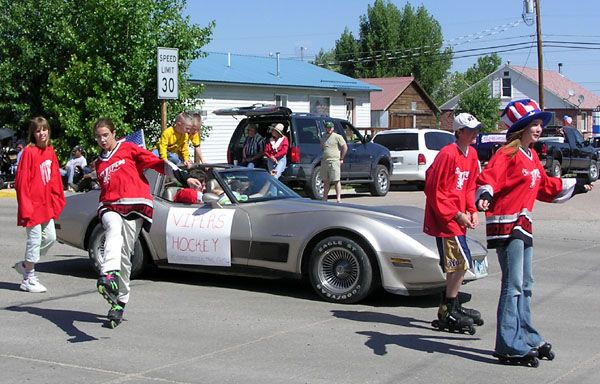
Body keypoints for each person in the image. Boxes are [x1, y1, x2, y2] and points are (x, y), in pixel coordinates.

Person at [476, 99, 593, 364]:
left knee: (526, 285)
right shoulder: (507, 153)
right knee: (514, 285)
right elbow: (488, 178)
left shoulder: (531, 156)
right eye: (534, 125)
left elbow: (545, 187)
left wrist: (577, 184)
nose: (539, 129)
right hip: (507, 224)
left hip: (523, 224)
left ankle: (526, 334)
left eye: (540, 125)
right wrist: (484, 194)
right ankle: (507, 344)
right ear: (521, 128)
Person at [93, 118, 201, 327]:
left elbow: (159, 163)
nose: (102, 140)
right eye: (98, 137)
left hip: (136, 206)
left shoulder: (129, 149)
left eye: (105, 135)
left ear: (114, 133)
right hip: (110, 206)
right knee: (113, 228)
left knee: (125, 256)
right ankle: (108, 274)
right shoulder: (99, 163)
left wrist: (184, 177)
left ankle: (119, 302)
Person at [423, 112, 482, 334]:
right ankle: (448, 309)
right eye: (471, 130)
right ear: (459, 132)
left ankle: (452, 305)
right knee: (461, 262)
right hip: (446, 219)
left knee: (456, 264)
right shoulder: (447, 154)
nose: (475, 133)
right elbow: (434, 190)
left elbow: (469, 186)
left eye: (477, 129)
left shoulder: (472, 154)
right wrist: (457, 214)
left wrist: (472, 209)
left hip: (460, 218)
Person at [13, 117, 65, 293]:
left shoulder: (50, 151)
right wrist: (26, 206)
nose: (42, 133)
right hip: (33, 206)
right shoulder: (29, 152)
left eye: (44, 129)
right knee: (34, 240)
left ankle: (26, 264)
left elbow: (55, 177)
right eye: (37, 130)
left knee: (50, 238)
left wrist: (57, 199)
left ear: (48, 130)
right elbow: (21, 181)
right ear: (33, 134)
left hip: (46, 205)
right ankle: (29, 278)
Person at [320, 121, 348, 203]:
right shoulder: (323, 136)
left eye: (330, 127)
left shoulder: (337, 137)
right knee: (326, 181)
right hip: (325, 161)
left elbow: (345, 147)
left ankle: (338, 198)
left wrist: (341, 158)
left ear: (333, 128)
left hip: (334, 161)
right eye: (327, 127)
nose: (328, 129)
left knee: (336, 180)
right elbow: (322, 146)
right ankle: (325, 198)